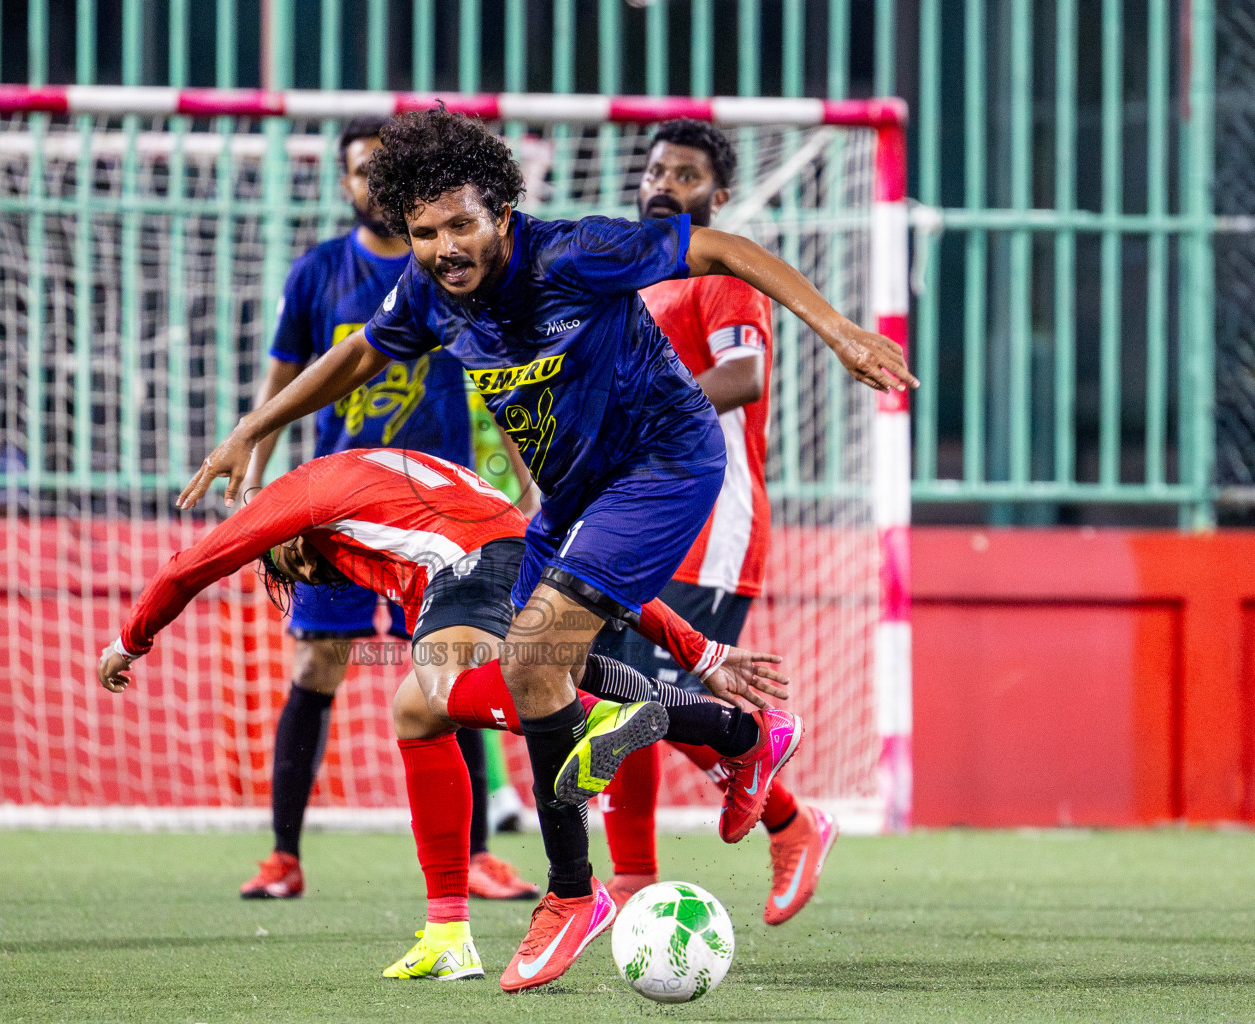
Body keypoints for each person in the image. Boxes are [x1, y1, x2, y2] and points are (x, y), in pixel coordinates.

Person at [175, 106, 916, 991]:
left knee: (532, 663)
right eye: (424, 232)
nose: (445, 247)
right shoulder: (425, 290)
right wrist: (250, 427)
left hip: (664, 463)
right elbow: (359, 357)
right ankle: (740, 740)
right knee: (431, 698)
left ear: (500, 210)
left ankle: (575, 892)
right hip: (575, 497)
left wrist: (842, 335)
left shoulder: (574, 252)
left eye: (461, 224)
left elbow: (727, 252)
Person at [98, 448, 790, 984]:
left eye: (287, 562)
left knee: (439, 690)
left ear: (282, 533)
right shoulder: (402, 499)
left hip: (471, 564)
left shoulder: (298, 496)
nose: (305, 573)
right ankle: (739, 736)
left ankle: (578, 807)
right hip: (520, 552)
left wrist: (130, 640)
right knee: (445, 704)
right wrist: (698, 654)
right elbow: (589, 573)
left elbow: (193, 565)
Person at [238, 117, 536, 903]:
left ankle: (474, 857)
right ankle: (283, 856)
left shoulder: (448, 269)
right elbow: (281, 385)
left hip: (440, 518)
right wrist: (255, 476)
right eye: (358, 170)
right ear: (345, 184)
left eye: (381, 168)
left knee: (451, 671)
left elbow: (499, 376)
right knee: (317, 666)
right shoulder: (315, 276)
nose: (370, 182)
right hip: (336, 517)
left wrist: (526, 478)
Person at [594, 119, 839, 924]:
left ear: (718, 195)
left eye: (688, 175)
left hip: (710, 523)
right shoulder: (633, 287)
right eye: (658, 169)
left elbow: (745, 374)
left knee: (649, 698)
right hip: (633, 520)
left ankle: (792, 819)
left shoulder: (720, 270)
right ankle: (632, 878)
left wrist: (639, 425)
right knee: (610, 696)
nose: (666, 183)